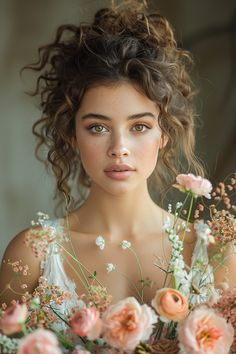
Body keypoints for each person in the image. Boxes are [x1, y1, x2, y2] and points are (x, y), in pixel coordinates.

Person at [0, 1, 234, 310]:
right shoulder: (33, 255)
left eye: (139, 126)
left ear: (163, 133)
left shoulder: (213, 254)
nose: (119, 147)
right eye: (97, 127)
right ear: (72, 135)